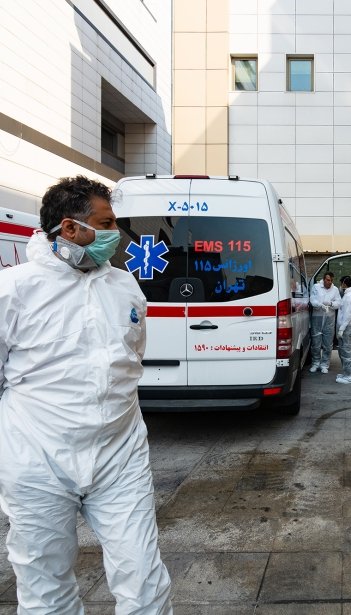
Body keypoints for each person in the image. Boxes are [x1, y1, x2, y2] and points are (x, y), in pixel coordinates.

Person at [0, 176, 173, 611]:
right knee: (45, 583)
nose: (117, 235)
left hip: (119, 456)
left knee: (144, 578)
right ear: (71, 229)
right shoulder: (14, 290)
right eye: (107, 223)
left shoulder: (124, 287)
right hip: (37, 460)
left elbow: (130, 360)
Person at [309, 271, 341, 374]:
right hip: (317, 318)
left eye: (331, 280)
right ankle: (315, 363)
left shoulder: (335, 290)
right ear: (323, 279)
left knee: (328, 344)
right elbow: (312, 300)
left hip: (329, 320)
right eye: (328, 280)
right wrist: (320, 305)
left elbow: (339, 303)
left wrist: (331, 303)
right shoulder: (316, 287)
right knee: (316, 343)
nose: (330, 282)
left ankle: (325, 365)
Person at [336, 275, 351, 384]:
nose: (340, 286)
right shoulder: (347, 295)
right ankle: (346, 372)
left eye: (341, 283)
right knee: (342, 350)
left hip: (347, 328)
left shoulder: (349, 296)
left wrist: (342, 328)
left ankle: (350, 376)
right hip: (346, 327)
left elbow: (348, 314)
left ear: (344, 284)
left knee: (346, 352)